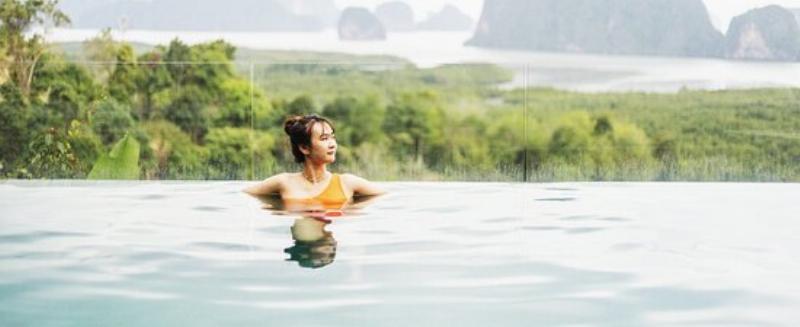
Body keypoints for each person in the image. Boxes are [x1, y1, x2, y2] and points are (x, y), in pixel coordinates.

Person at [243, 114, 385, 210]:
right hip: (300, 247)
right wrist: (276, 210)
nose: (332, 144)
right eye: (324, 139)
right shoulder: (283, 182)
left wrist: (352, 210)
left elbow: (386, 199)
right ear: (304, 148)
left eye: (333, 138)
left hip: (328, 242)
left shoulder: (348, 183)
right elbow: (245, 197)